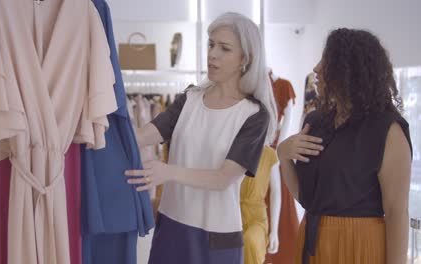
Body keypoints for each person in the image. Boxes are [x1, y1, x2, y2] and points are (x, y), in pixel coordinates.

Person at [124, 12, 278, 264]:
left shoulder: (254, 115)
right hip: (171, 226)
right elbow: (144, 135)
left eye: (224, 48)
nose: (212, 54)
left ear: (245, 58)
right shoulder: (190, 98)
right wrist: (98, 134)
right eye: (211, 44)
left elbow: (223, 178)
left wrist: (169, 172)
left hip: (216, 238)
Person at [277, 28, 412, 264]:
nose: (316, 68)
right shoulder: (316, 122)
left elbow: (396, 213)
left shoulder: (387, 130)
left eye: (326, 60)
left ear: (351, 69)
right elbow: (308, 199)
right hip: (312, 240)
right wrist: (283, 154)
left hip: (360, 245)